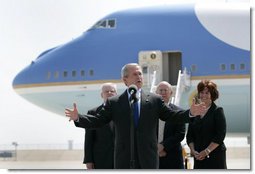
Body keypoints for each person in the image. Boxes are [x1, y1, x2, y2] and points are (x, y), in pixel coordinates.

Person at [65, 63, 206, 169]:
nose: (139, 77)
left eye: (140, 74)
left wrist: (191, 113)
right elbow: (98, 120)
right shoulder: (115, 102)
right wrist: (78, 118)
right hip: (124, 159)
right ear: (125, 80)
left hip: (148, 159)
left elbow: (172, 115)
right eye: (135, 74)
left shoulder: (154, 99)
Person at [186, 79, 227, 169]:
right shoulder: (194, 112)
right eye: (201, 92)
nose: (203, 95)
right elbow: (189, 136)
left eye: (207, 93)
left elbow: (220, 135)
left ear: (212, 95)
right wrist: (193, 150)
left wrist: (207, 151)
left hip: (215, 157)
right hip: (198, 157)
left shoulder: (217, 111)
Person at [84, 83, 117, 169]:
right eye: (106, 91)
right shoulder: (93, 113)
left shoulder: (124, 112)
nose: (109, 93)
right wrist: (88, 160)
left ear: (116, 94)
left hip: (121, 159)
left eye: (112, 91)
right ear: (102, 95)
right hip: (101, 160)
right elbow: (89, 139)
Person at [156, 81, 186, 169]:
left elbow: (180, 134)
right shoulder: (149, 112)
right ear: (156, 93)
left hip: (173, 157)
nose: (163, 92)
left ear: (171, 93)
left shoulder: (179, 112)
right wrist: (156, 149)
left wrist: (163, 146)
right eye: (160, 90)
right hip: (153, 156)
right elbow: (145, 132)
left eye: (165, 90)